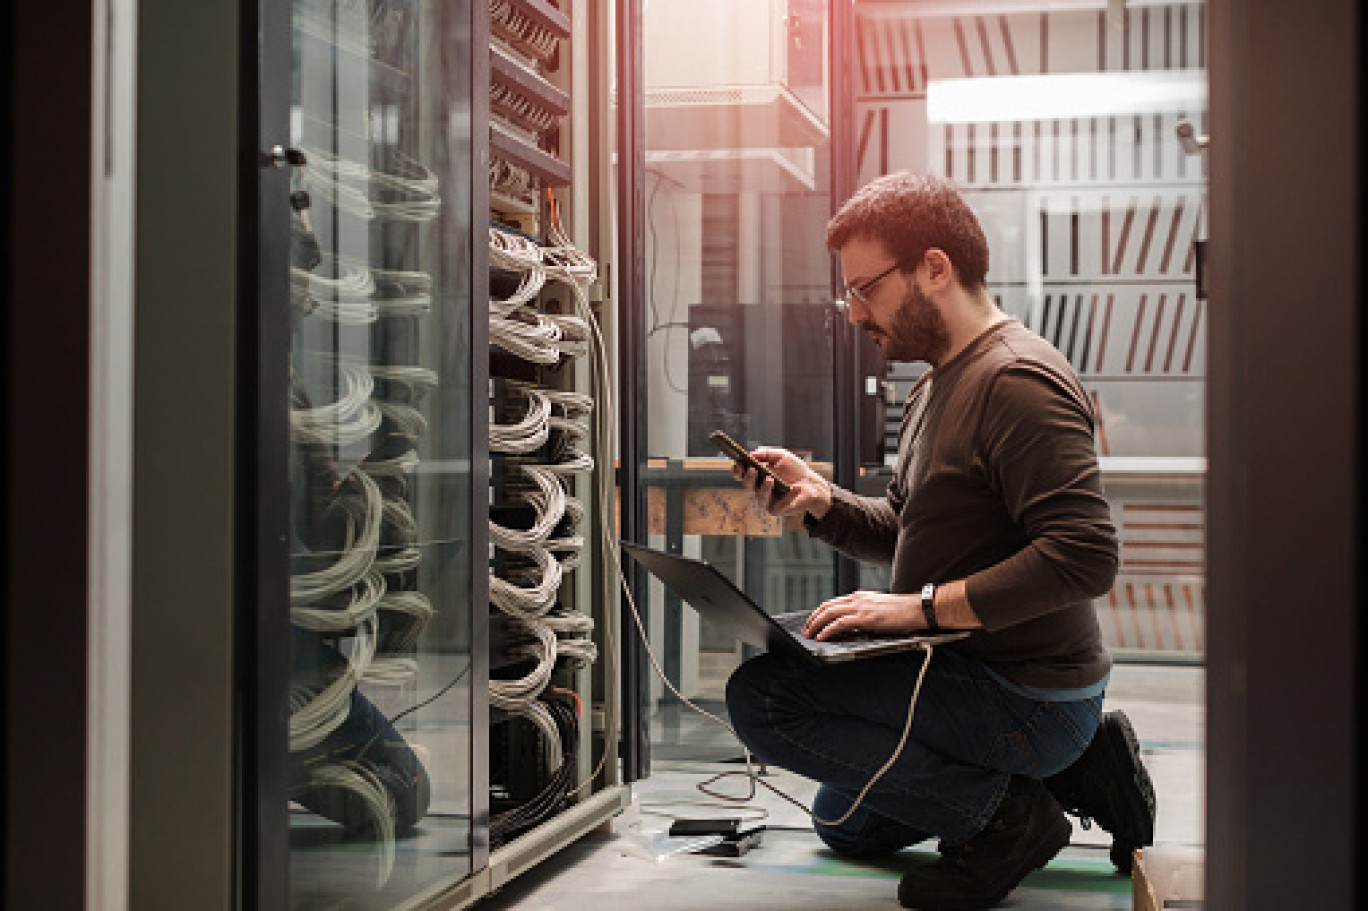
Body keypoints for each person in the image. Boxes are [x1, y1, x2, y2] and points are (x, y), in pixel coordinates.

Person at [723, 172, 1155, 910]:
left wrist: (917, 611)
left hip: (1025, 691)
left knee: (766, 699)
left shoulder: (1016, 379)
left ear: (934, 266)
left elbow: (1085, 554)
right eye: (848, 294)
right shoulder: (934, 384)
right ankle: (1075, 770)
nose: (856, 314)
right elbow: (906, 525)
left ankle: (1011, 816)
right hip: (968, 667)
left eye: (867, 289)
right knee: (842, 822)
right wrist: (821, 503)